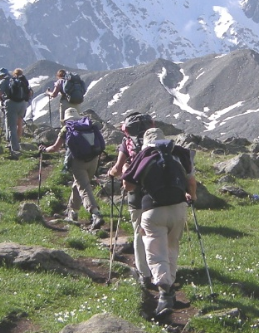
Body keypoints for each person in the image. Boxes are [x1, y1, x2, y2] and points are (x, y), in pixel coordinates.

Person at [122, 128, 198, 318]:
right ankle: (170, 288)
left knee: (156, 254)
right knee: (172, 248)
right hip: (179, 208)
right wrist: (192, 197)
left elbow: (129, 186)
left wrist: (125, 171)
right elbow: (192, 181)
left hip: (153, 210)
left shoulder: (144, 155)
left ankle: (164, 292)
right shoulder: (178, 155)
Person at [107, 112, 155, 288]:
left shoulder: (127, 142)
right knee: (157, 231)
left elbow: (118, 168)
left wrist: (112, 173)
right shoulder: (155, 140)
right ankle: (160, 270)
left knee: (139, 231)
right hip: (157, 192)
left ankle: (144, 273)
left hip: (136, 192)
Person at [39, 107, 105, 230]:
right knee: (79, 184)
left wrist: (44, 149)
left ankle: (95, 213)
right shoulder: (88, 124)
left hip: (78, 161)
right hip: (94, 159)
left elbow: (55, 148)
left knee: (84, 187)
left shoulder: (66, 128)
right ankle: (72, 211)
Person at [0, 67, 30, 157]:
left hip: (11, 104)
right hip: (23, 103)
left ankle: (15, 148)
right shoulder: (20, 80)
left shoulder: (5, 81)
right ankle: (15, 141)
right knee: (19, 123)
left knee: (11, 126)